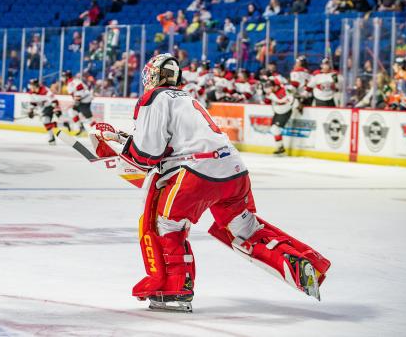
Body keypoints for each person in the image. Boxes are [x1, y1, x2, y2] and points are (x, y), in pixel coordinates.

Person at [96, 53, 330, 312]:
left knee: (167, 224)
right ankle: (295, 259)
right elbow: (168, 143)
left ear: (151, 76)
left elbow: (147, 153)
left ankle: (174, 291)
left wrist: (117, 147)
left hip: (197, 172)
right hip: (234, 170)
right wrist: (122, 137)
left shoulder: (153, 97)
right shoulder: (188, 98)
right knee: (245, 230)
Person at [27, 78, 63, 145]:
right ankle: (55, 133)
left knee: (45, 120)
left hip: (50, 107)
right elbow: (33, 103)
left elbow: (54, 100)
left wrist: (56, 109)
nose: (30, 86)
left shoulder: (45, 90)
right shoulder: (32, 92)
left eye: (31, 85)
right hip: (43, 108)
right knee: (46, 122)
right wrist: (31, 111)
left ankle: (52, 138)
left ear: (35, 85)